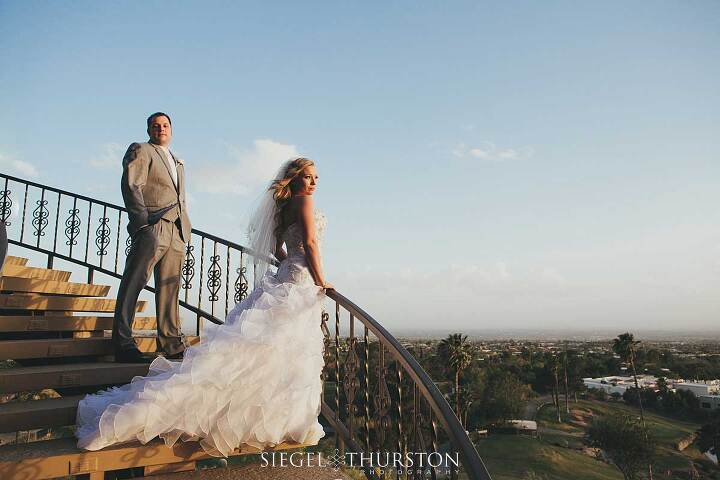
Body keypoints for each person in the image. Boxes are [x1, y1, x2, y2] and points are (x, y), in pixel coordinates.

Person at [76, 158, 330, 455]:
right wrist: (323, 281)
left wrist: (291, 259)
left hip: (288, 275)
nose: (313, 183)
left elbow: (278, 249)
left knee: (258, 353)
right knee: (287, 353)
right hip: (301, 281)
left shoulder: (283, 208)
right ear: (295, 179)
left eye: (315, 178)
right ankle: (286, 420)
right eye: (308, 177)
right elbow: (311, 243)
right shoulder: (304, 203)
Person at [113, 112, 191, 363]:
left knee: (169, 287)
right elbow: (131, 186)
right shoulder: (142, 150)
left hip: (177, 229)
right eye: (156, 125)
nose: (161, 129)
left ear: (171, 129)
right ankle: (123, 342)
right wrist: (142, 224)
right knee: (134, 281)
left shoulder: (177, 160)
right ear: (149, 130)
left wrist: (183, 228)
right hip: (153, 226)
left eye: (165, 125)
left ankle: (171, 344)